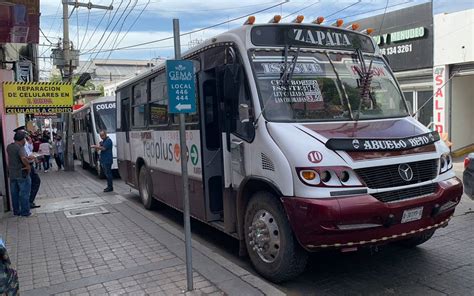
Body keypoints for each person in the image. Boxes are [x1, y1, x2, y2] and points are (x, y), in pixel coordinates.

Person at [7, 131, 32, 217]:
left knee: (14, 194)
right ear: (22, 139)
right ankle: (25, 212)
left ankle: (16, 211)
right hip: (21, 172)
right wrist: (28, 166)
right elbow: (23, 158)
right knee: (24, 193)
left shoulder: (9, 147)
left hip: (12, 173)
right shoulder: (20, 147)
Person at [24, 136, 41, 209]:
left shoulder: (27, 145)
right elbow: (28, 156)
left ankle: (30, 201)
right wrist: (34, 157)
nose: (32, 140)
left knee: (34, 182)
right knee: (35, 181)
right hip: (28, 166)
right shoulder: (24, 145)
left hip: (30, 165)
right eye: (30, 139)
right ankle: (29, 201)